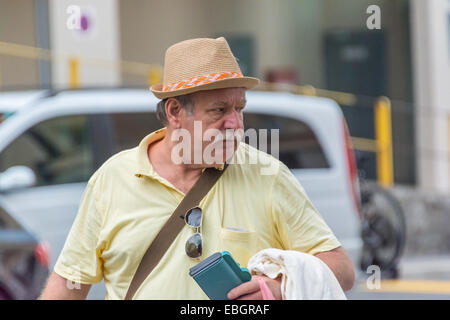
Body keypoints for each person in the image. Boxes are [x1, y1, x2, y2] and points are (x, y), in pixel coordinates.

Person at [40, 37, 354, 300]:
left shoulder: (268, 175)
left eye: (239, 109)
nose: (235, 124)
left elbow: (341, 270)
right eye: (219, 110)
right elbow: (69, 285)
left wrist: (279, 287)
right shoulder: (111, 180)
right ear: (175, 110)